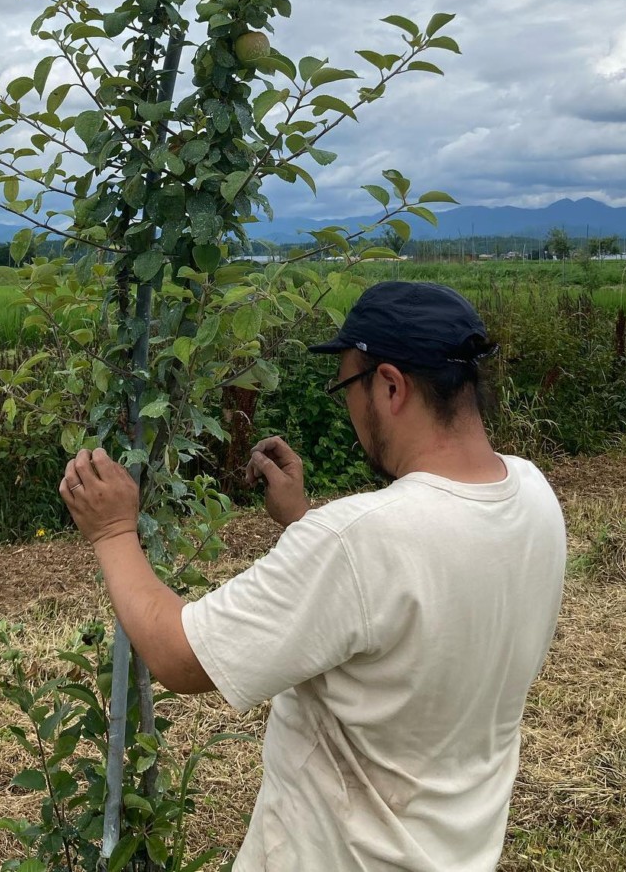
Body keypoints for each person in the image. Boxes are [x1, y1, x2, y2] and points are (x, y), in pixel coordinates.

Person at [59, 281, 567, 871]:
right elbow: (412, 593)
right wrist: (302, 521)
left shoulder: (359, 542)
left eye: (347, 385)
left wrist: (113, 533)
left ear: (390, 385)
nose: (347, 407)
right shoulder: (532, 493)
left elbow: (177, 655)